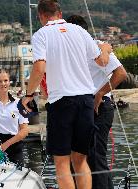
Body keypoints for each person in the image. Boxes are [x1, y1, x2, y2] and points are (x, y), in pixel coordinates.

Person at [21, 1, 112, 189]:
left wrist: (28, 95)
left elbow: (39, 68)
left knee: (62, 162)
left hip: (62, 102)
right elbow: (102, 62)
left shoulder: (41, 34)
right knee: (80, 160)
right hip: (86, 100)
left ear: (41, 16)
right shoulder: (80, 31)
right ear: (60, 13)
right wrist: (105, 48)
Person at [66, 15, 127, 189]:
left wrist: (100, 93)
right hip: (80, 108)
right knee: (78, 157)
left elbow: (120, 73)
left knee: (95, 156)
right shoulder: (71, 51)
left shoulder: (97, 46)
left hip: (98, 107)